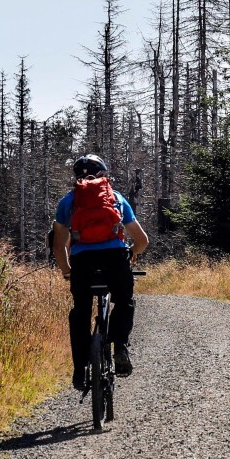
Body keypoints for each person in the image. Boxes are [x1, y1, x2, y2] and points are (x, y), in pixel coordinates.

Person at [51, 154, 149, 391]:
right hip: (114, 258)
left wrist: (67, 272)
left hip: (82, 261)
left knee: (80, 312)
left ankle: (79, 369)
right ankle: (120, 347)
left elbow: (58, 245)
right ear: (104, 175)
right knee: (124, 301)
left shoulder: (68, 201)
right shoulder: (115, 198)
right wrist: (131, 253)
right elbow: (142, 240)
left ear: (77, 177)